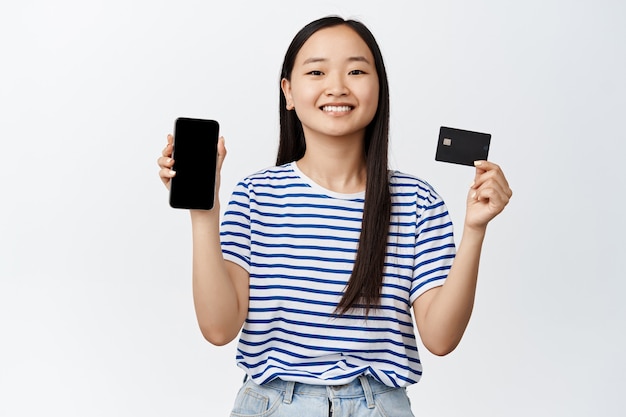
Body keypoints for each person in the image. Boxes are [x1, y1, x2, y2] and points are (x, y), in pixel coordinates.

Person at [158, 15, 512, 417]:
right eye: (317, 71)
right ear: (288, 92)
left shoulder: (417, 201)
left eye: (357, 70)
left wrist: (474, 230)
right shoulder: (256, 196)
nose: (337, 86)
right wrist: (204, 211)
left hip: (378, 405)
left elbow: (441, 337)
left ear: (379, 88)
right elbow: (219, 329)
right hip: (274, 404)